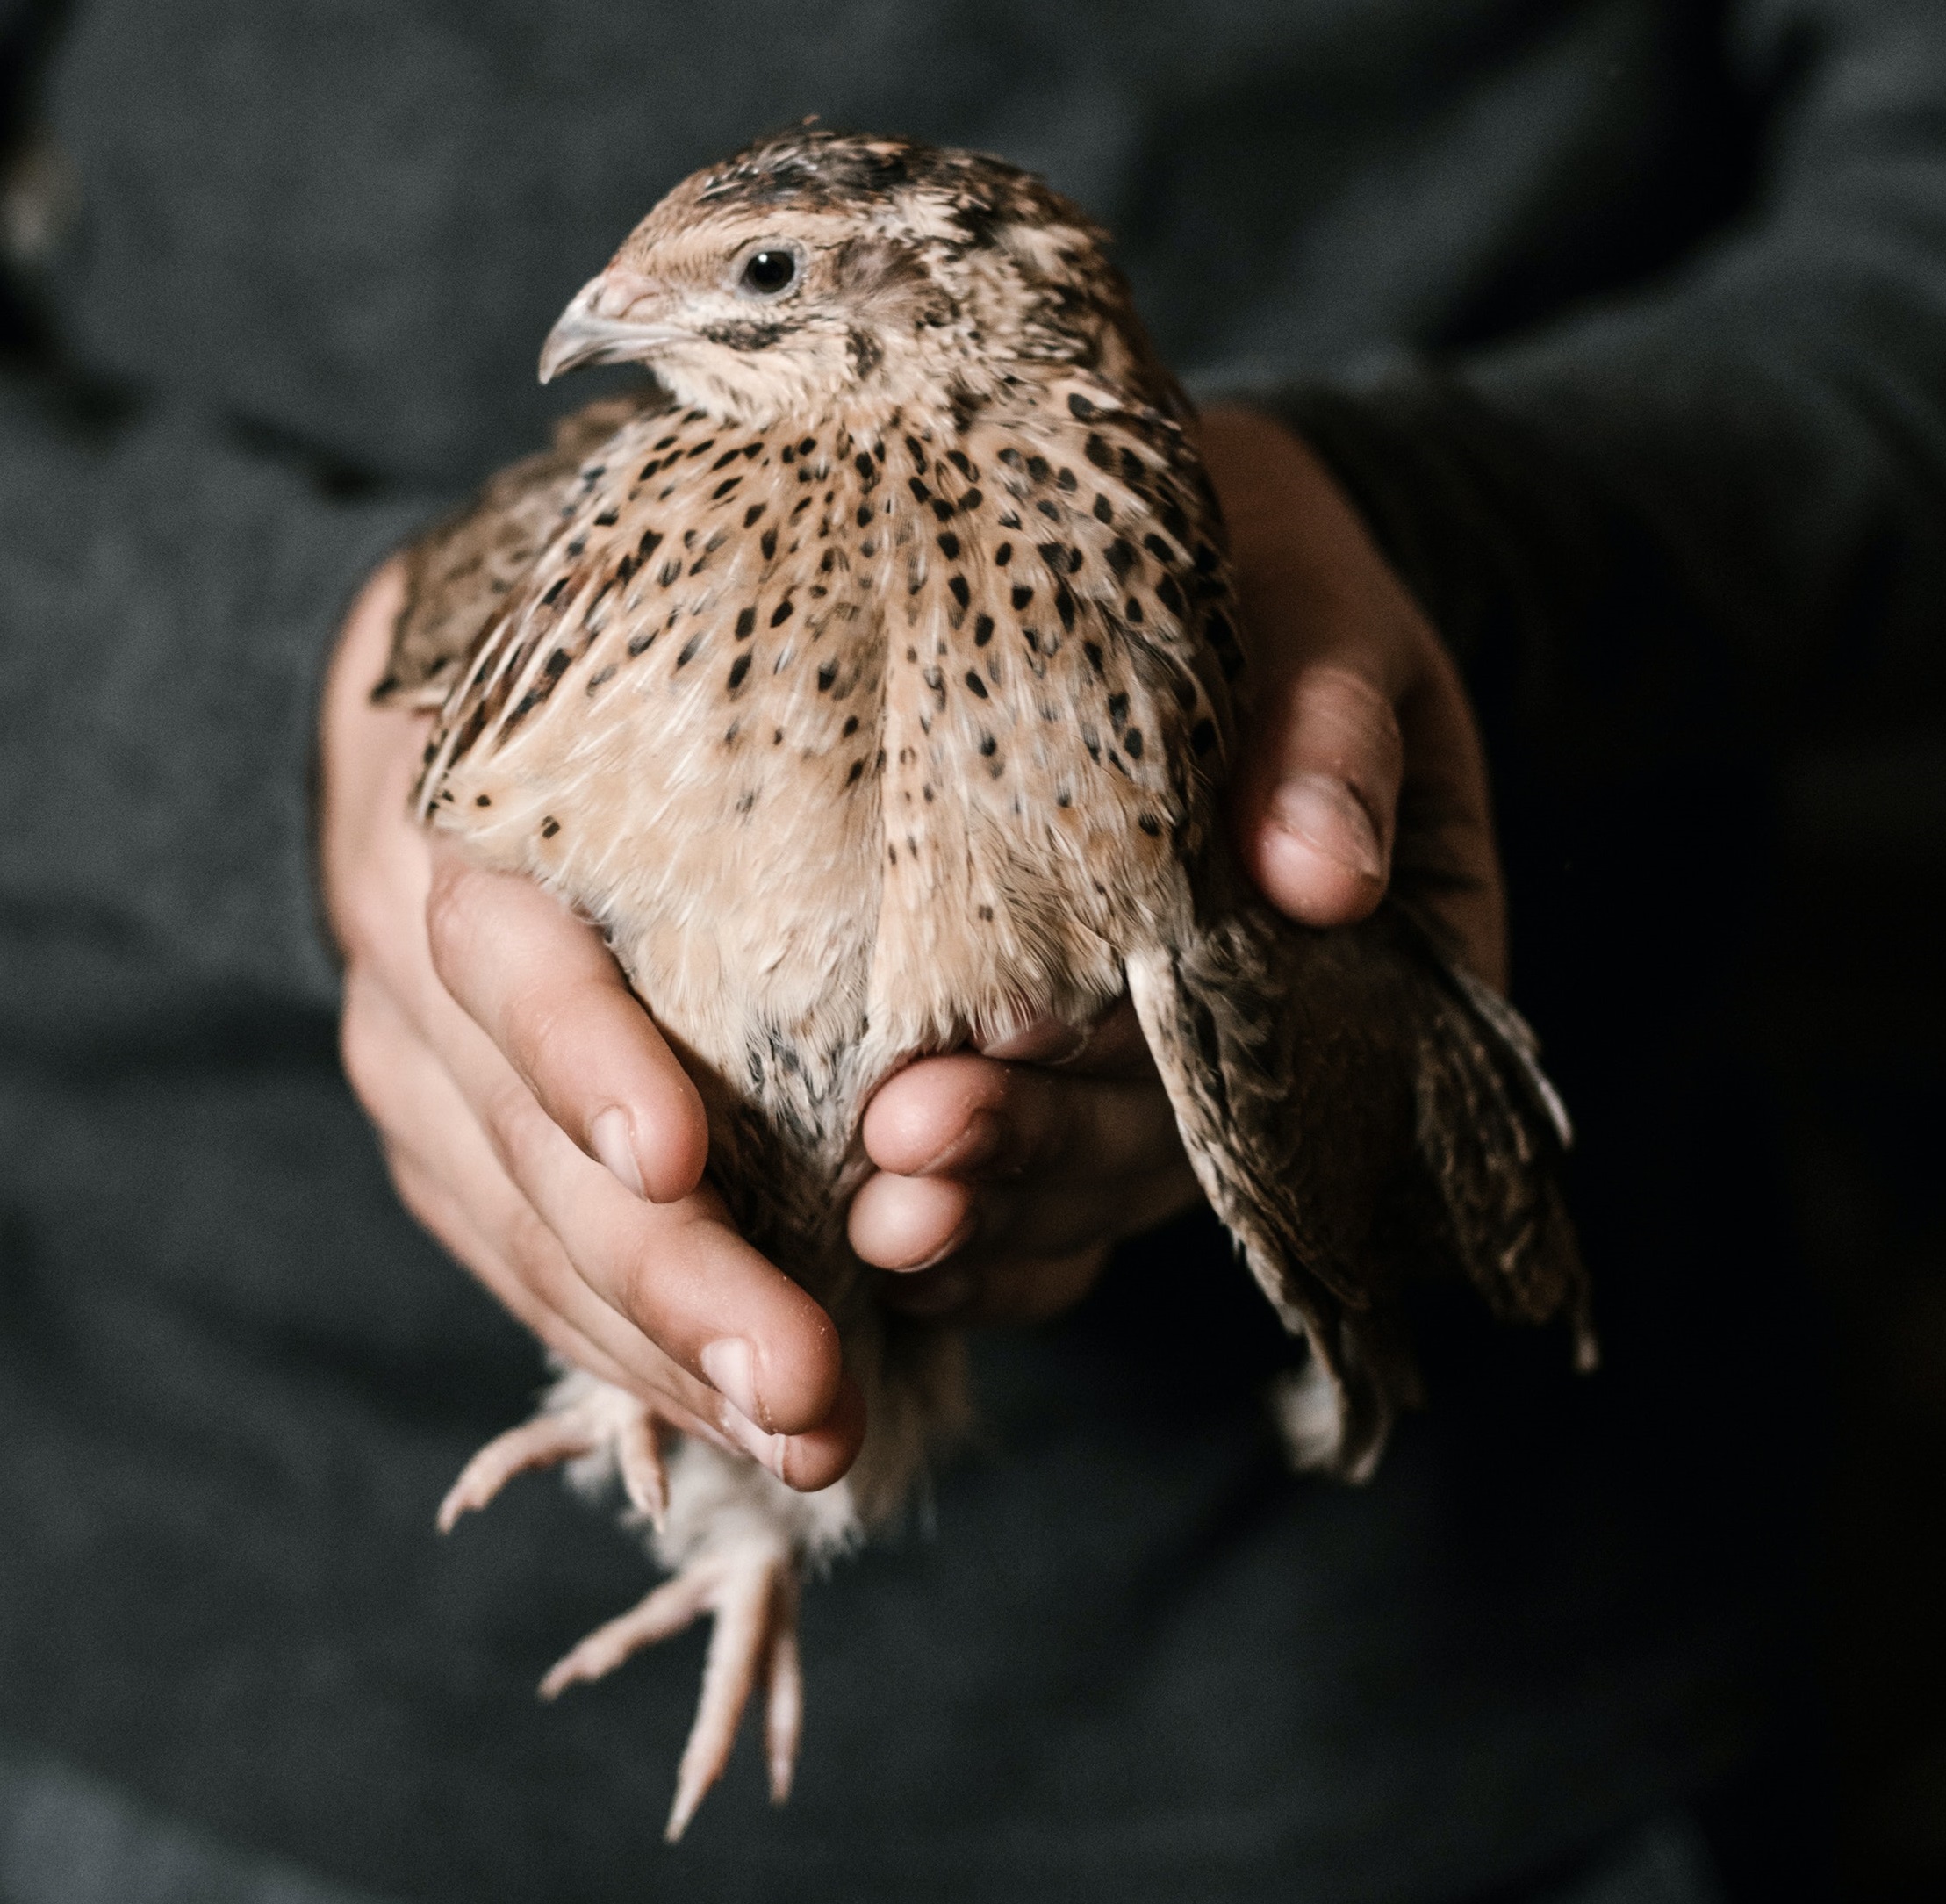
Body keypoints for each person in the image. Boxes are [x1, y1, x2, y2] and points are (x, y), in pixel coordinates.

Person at [3, 3, 1942, 1900]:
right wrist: (277, 691)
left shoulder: (1104, 577)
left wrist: (1439, 524)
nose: (604, 320)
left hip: (1434, 1670)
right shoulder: (630, 524)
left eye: (753, 281)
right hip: (224, 1576)